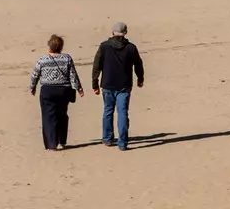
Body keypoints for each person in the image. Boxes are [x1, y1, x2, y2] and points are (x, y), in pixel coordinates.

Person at [91, 20, 145, 150]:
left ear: (113, 32)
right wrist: (140, 79)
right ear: (125, 33)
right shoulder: (131, 47)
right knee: (122, 112)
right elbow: (138, 64)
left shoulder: (104, 46)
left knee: (108, 111)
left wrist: (95, 84)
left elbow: (96, 66)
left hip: (108, 84)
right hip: (124, 85)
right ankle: (122, 142)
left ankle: (108, 138)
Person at [29, 34, 83, 151]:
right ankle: (62, 141)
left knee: (48, 117)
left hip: (47, 91)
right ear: (61, 47)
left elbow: (35, 75)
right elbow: (73, 75)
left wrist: (32, 88)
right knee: (62, 115)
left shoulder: (42, 59)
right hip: (64, 91)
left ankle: (51, 144)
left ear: (49, 46)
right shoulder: (67, 58)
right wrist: (79, 89)